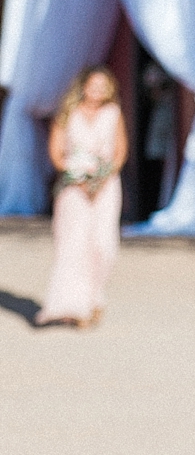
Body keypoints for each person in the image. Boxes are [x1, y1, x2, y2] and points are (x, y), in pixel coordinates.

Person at [35, 67, 128, 329]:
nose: (97, 90)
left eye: (103, 85)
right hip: (73, 188)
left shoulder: (113, 114)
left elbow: (120, 152)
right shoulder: (67, 114)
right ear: (83, 86)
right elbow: (56, 154)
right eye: (93, 84)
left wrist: (101, 178)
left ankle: (95, 296)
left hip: (106, 187)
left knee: (103, 245)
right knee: (73, 246)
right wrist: (75, 175)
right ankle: (72, 305)